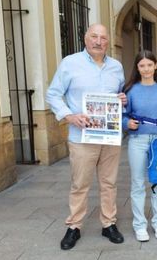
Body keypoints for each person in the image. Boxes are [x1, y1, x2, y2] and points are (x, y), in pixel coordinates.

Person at [46, 24, 127, 250]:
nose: (98, 41)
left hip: (109, 137)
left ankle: (108, 223)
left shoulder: (116, 67)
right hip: (81, 137)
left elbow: (120, 96)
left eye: (103, 37)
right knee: (80, 183)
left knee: (109, 183)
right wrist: (69, 116)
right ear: (85, 38)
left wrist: (122, 99)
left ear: (108, 42)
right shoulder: (70, 63)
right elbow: (53, 94)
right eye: (94, 36)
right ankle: (74, 226)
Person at [122, 50, 157, 242]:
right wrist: (127, 124)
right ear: (137, 68)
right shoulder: (130, 89)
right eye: (142, 65)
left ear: (155, 65)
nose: (146, 69)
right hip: (137, 141)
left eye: (149, 65)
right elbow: (122, 115)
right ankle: (139, 225)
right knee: (137, 183)